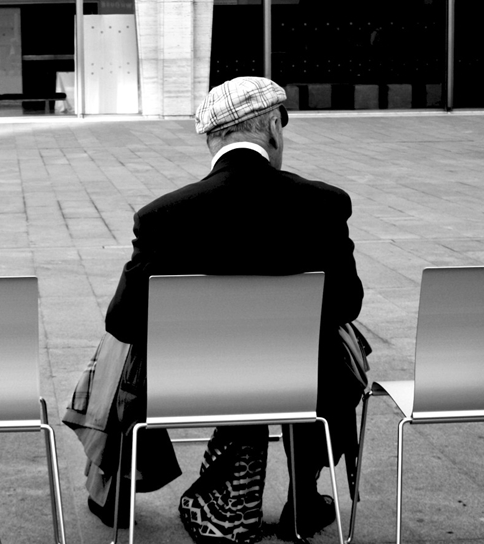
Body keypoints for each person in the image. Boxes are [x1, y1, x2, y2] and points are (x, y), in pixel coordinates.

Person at [87, 76, 365, 541]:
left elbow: (123, 321)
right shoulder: (324, 203)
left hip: (186, 387)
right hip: (299, 385)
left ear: (211, 140)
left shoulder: (162, 216)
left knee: (115, 348)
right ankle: (306, 488)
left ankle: (113, 482)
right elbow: (347, 303)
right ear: (273, 127)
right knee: (335, 338)